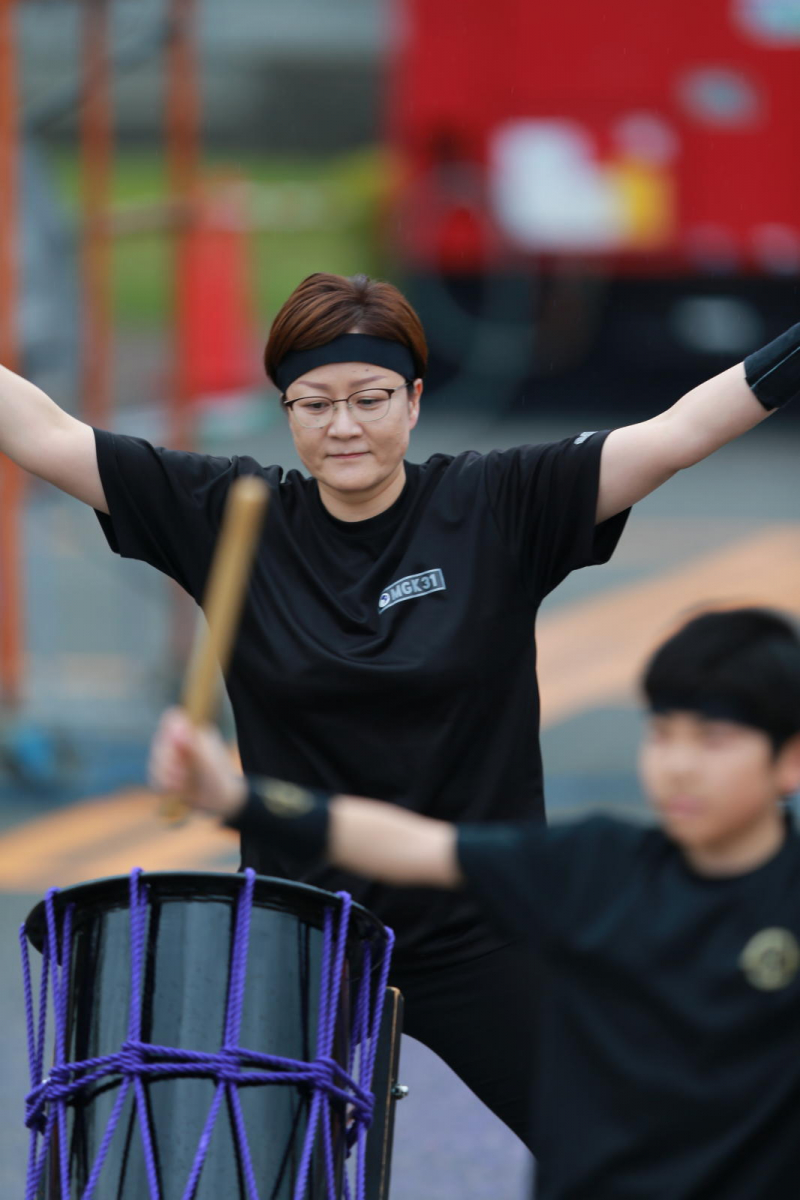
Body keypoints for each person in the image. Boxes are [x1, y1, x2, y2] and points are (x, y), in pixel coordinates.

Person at [1, 272, 799, 1148]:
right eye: (314, 404)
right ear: (287, 410)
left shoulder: (500, 503)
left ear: (414, 401)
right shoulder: (229, 512)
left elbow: (680, 433)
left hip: (482, 924)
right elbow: (43, 433)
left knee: (634, 1148)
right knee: (232, 1163)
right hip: (297, 934)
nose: (343, 427)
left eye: (370, 398)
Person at [149, 607, 800, 1200]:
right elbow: (414, 845)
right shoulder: (597, 864)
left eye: (712, 740)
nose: (679, 766)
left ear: (789, 759)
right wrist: (235, 797)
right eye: (662, 735)